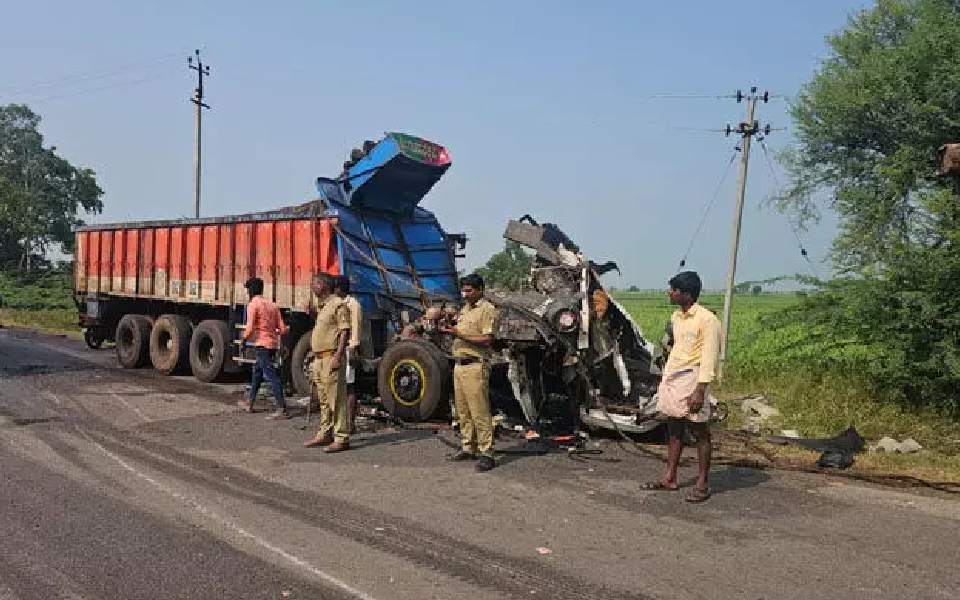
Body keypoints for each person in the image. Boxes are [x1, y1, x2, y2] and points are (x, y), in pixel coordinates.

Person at [643, 271, 721, 503]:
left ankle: (702, 483)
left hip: (694, 379)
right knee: (674, 428)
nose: (670, 293)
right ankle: (669, 477)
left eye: (674, 290)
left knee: (699, 431)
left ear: (686, 293)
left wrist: (700, 389)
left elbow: (709, 357)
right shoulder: (677, 317)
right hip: (675, 377)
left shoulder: (707, 320)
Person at [439, 273, 499, 472]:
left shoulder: (487, 310)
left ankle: (487, 452)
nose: (465, 294)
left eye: (469, 290)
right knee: (463, 410)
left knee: (479, 411)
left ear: (480, 290)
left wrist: (459, 334)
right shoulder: (465, 309)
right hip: (459, 365)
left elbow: (487, 340)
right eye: (464, 290)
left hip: (475, 365)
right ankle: (468, 446)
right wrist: (450, 330)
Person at [303, 273, 352, 452]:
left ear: (324, 285)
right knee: (323, 399)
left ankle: (341, 437)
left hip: (331, 357)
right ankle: (325, 433)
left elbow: (344, 332)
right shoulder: (323, 306)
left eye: (314, 283)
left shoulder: (338, 305)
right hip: (320, 358)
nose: (312, 286)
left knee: (336, 399)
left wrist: (338, 357)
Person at [239, 277, 290, 419]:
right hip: (272, 345)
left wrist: (243, 340)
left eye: (248, 289)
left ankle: (281, 408)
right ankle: (249, 402)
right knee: (257, 372)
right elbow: (283, 329)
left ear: (251, 291)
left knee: (271, 375)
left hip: (262, 345)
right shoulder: (272, 305)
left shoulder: (253, 304)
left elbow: (249, 328)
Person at [334, 275, 362, 433]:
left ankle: (351, 423)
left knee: (349, 387)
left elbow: (356, 328)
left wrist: (353, 348)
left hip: (347, 349)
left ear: (340, 288)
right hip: (338, 348)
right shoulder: (338, 304)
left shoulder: (353, 305)